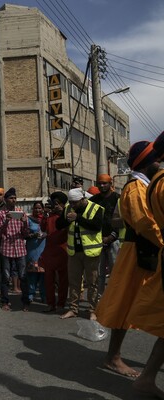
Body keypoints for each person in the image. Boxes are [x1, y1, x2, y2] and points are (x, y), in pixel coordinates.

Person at [95, 141, 162, 378]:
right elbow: (144, 223)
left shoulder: (146, 186)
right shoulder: (135, 189)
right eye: (158, 159)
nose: (160, 162)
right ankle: (112, 358)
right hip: (138, 252)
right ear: (146, 163)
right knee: (125, 304)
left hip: (147, 250)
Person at [126, 135, 164, 397]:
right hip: (139, 253)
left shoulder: (152, 186)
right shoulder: (149, 187)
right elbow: (143, 224)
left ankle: (146, 378)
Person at [57, 188, 104, 320]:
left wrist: (78, 218)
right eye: (71, 202)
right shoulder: (68, 209)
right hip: (74, 251)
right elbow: (58, 225)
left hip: (91, 252)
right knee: (74, 282)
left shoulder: (96, 208)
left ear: (83, 199)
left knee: (92, 283)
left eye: (75, 202)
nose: (72, 205)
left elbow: (97, 226)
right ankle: (73, 309)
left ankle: (93, 310)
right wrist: (67, 219)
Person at [0, 188, 30, 311]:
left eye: (15, 198)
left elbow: (26, 234)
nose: (13, 200)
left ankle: (25, 302)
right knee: (5, 277)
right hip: (6, 249)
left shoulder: (21, 213)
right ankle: (5, 301)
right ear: (5, 200)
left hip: (20, 249)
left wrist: (25, 223)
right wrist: (6, 221)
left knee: (23, 276)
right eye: (11, 198)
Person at [89, 174, 121, 295]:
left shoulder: (118, 198)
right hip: (97, 241)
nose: (102, 185)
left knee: (115, 273)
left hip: (115, 240)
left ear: (110, 184)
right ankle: (99, 301)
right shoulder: (93, 201)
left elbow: (122, 219)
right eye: (100, 183)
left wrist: (111, 237)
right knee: (98, 274)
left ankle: (115, 300)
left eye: (104, 183)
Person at [40, 192, 69, 313]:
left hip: (63, 250)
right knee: (48, 279)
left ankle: (61, 303)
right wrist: (45, 215)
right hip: (50, 250)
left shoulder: (67, 216)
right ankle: (50, 303)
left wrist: (63, 213)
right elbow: (43, 228)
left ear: (63, 204)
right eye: (54, 203)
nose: (56, 206)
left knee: (63, 280)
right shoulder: (49, 216)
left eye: (58, 203)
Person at [26, 201, 46, 304]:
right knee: (32, 274)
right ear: (32, 209)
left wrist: (45, 234)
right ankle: (30, 295)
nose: (37, 210)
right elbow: (25, 233)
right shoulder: (28, 219)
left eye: (39, 208)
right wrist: (33, 235)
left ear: (42, 209)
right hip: (32, 249)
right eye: (35, 208)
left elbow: (50, 231)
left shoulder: (46, 219)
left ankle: (44, 296)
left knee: (43, 275)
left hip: (43, 250)